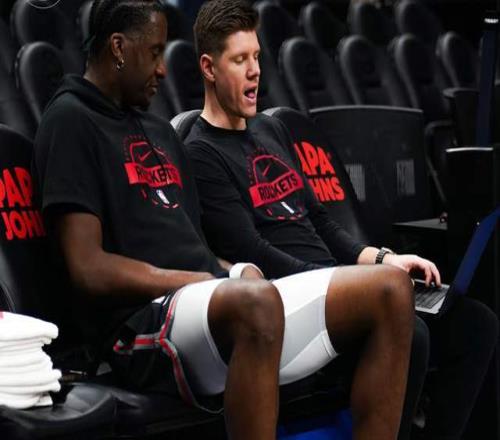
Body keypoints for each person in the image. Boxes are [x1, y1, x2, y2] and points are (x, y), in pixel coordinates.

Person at [32, 1, 416, 439]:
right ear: (119, 48)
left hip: (203, 303)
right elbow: (87, 268)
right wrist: (200, 280)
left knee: (391, 289)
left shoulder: (158, 131)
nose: (163, 70)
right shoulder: (70, 120)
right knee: (256, 301)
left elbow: (193, 245)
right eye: (155, 53)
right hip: (138, 327)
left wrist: (232, 271)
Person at [184, 1, 499, 439]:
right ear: (209, 67)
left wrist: (384, 260)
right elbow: (252, 251)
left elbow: (322, 223)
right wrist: (346, 283)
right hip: (290, 303)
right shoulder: (200, 152)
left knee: (476, 324)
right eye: (240, 60)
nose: (255, 71)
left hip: (341, 287)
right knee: (415, 334)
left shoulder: (271, 130)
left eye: (256, 56)